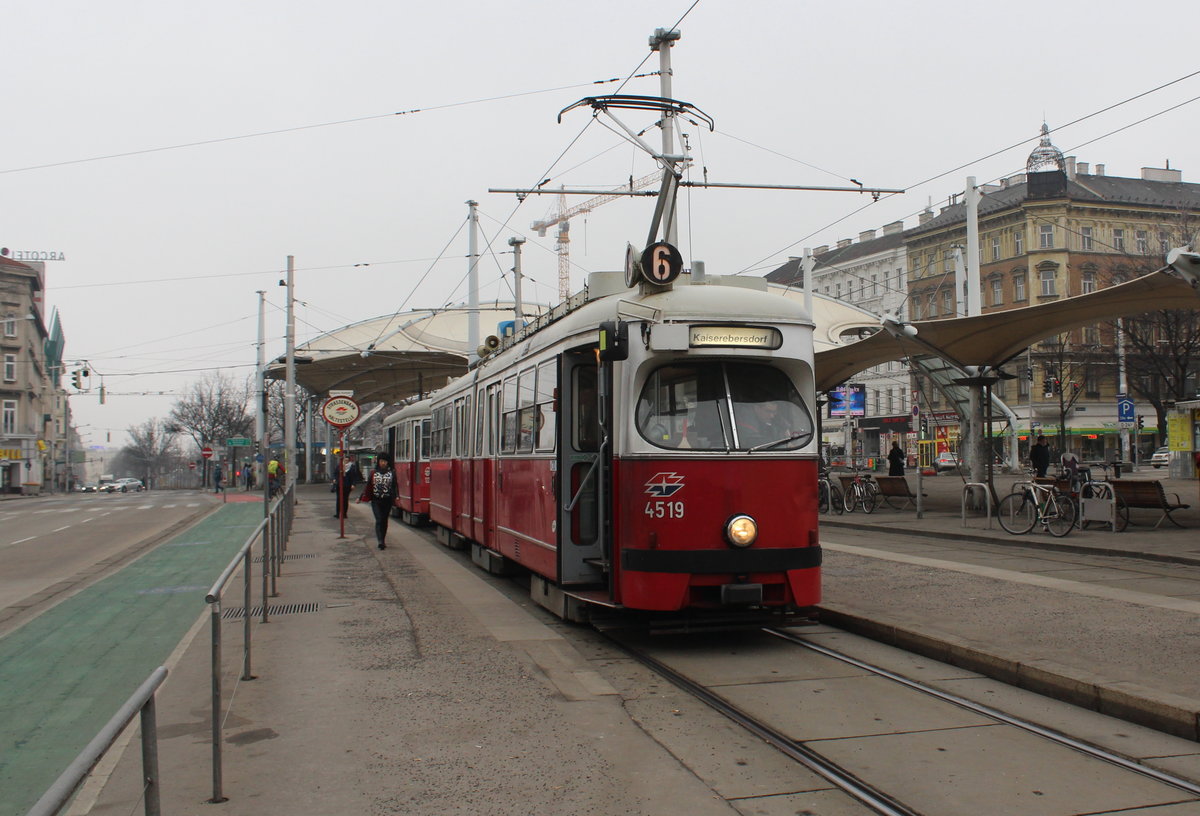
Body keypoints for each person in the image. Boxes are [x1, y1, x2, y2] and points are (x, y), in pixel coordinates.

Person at [358, 454, 398, 550]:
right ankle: (380, 541)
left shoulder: (392, 473)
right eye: (381, 461)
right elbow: (368, 486)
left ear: (387, 462)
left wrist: (396, 496)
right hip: (376, 500)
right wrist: (361, 497)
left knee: (384, 520)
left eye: (384, 461)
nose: (383, 463)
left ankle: (383, 539)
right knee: (379, 519)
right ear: (378, 462)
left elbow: (395, 486)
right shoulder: (373, 473)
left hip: (387, 500)